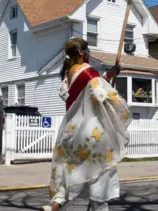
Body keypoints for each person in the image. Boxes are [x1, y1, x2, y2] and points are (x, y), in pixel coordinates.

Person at [41, 38, 131, 211]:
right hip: (91, 133)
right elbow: (100, 95)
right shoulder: (90, 72)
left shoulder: (68, 74)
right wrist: (119, 104)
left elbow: (86, 90)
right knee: (99, 180)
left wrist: (108, 76)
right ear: (82, 53)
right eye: (87, 50)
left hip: (70, 132)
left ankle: (55, 204)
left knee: (72, 172)